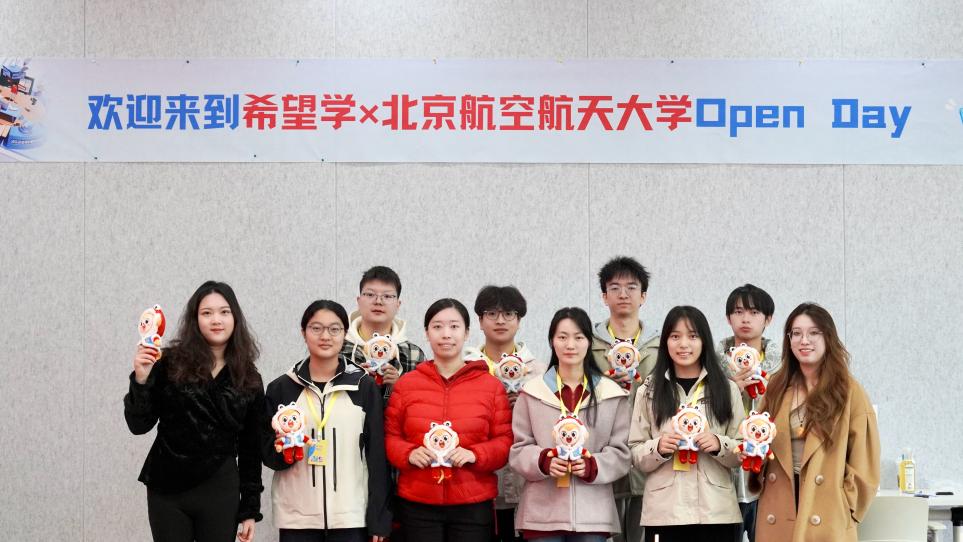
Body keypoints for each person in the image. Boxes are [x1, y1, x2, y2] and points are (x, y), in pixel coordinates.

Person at [125, 281, 264, 542]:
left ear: (235, 318)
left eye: (224, 312)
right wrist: (141, 380)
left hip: (220, 488)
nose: (216, 320)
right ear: (195, 319)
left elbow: (251, 449)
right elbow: (138, 425)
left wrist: (249, 509)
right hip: (167, 486)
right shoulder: (170, 362)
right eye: (206, 313)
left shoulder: (249, 377)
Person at [383, 298, 513, 542]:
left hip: (472, 503)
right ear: (426, 333)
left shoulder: (491, 386)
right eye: (437, 327)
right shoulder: (407, 384)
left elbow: (505, 441)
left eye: (454, 326)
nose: (446, 334)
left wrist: (476, 454)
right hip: (418, 504)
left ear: (467, 333)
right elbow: (391, 436)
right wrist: (408, 453)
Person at [750, 303, 880, 542]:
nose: (804, 340)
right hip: (779, 504)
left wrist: (846, 506)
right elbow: (757, 438)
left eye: (813, 333)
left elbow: (865, 460)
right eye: (796, 333)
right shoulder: (777, 387)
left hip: (826, 508)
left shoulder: (848, 391)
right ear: (788, 340)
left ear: (828, 337)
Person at [263, 300, 391, 542]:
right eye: (316, 328)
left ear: (345, 334)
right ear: (303, 332)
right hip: (297, 519)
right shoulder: (281, 388)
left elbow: (377, 456)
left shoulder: (363, 386)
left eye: (334, 329)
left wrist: (379, 517)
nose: (325, 336)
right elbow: (268, 455)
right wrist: (283, 449)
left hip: (350, 518)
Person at [510, 307, 631, 542]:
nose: (570, 345)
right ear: (552, 341)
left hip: (593, 515)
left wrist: (592, 465)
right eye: (562, 337)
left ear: (589, 342)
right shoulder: (532, 392)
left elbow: (623, 453)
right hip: (541, 514)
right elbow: (518, 450)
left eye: (578, 337)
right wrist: (543, 461)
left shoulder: (610, 393)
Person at [629, 306, 744, 542]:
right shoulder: (649, 390)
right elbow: (635, 452)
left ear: (704, 341)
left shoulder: (727, 388)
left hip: (716, 513)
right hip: (664, 514)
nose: (683, 344)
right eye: (675, 336)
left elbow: (743, 450)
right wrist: (658, 448)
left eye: (692, 336)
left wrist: (719, 444)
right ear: (665, 342)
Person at [589, 256, 659, 542]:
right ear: (604, 296)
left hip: (649, 457)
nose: (623, 294)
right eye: (615, 288)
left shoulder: (660, 344)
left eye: (631, 288)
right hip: (604, 453)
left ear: (643, 296)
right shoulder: (587, 343)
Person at [469, 285, 546, 542]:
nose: (500, 320)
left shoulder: (539, 371)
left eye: (509, 314)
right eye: (491, 313)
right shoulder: (467, 368)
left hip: (527, 482)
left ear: (519, 320)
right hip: (480, 480)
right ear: (480, 320)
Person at [715, 284, 782, 542]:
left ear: (768, 319)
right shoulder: (712, 365)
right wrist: (731, 389)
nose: (745, 319)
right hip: (724, 478)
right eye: (738, 312)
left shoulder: (782, 366)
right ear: (728, 318)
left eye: (754, 313)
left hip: (768, 476)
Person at [342, 266, 426, 402]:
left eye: (387, 296)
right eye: (370, 294)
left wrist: (398, 387)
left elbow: (423, 404)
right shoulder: (339, 349)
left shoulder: (413, 354)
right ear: (359, 301)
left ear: (398, 304)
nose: (378, 301)